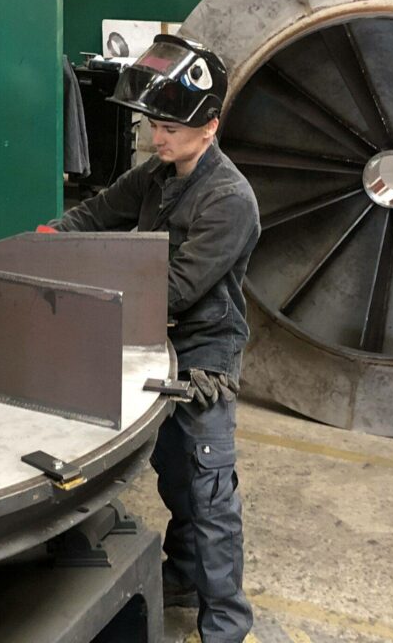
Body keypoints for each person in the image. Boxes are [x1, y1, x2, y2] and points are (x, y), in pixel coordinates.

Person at [49, 34, 259, 643]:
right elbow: (94, 214)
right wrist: (45, 244)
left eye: (169, 126)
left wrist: (87, 297)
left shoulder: (228, 200)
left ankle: (226, 624)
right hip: (151, 336)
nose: (156, 136)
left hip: (201, 353)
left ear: (210, 127)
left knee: (207, 485)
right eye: (153, 123)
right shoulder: (158, 175)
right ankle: (184, 577)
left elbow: (176, 290)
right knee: (173, 473)